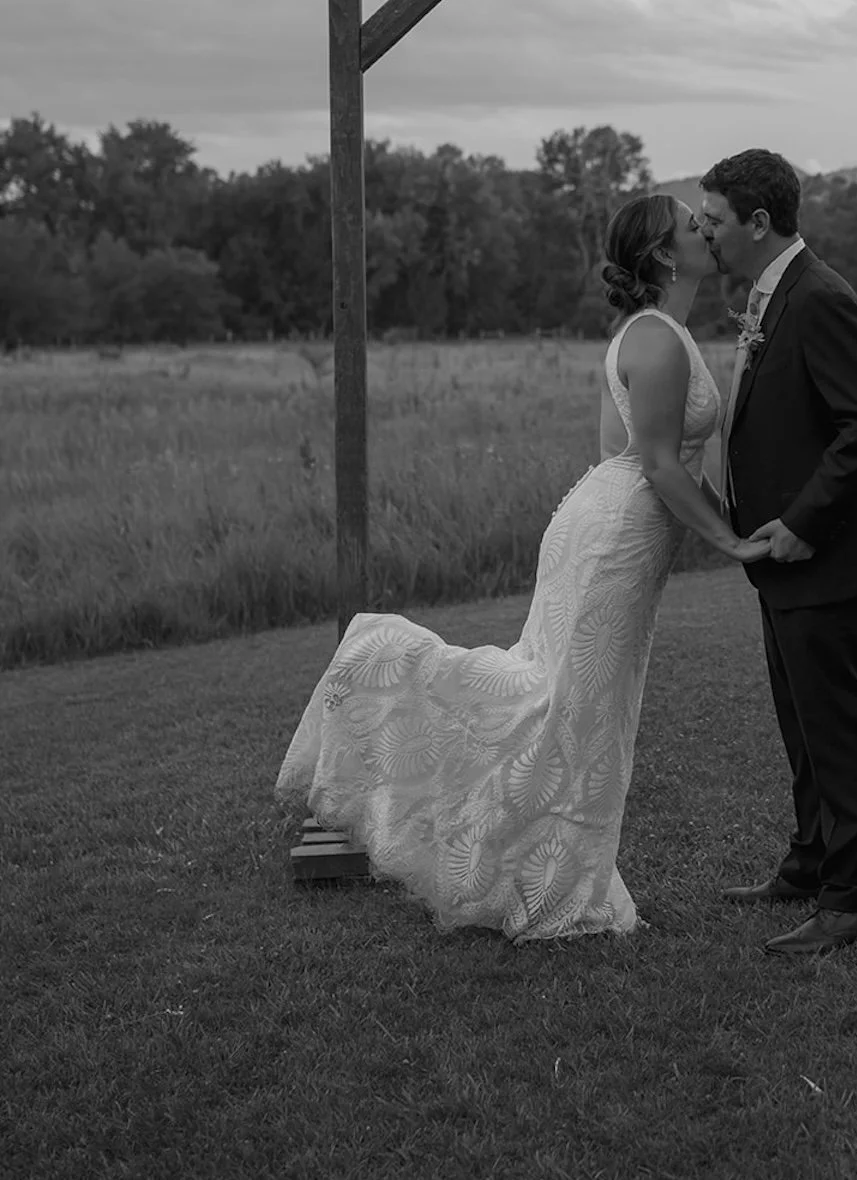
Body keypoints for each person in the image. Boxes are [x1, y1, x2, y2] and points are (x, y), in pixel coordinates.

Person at [275, 195, 770, 943]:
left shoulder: (663, 332)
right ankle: (385, 663)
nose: (707, 229)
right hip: (614, 537)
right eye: (691, 225)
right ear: (666, 256)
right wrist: (730, 546)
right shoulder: (658, 340)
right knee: (562, 705)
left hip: (612, 525)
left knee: (577, 709)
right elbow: (663, 466)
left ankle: (548, 875)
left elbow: (676, 460)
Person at [699, 149, 857, 959]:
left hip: (825, 553)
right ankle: (811, 860)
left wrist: (803, 521)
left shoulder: (817, 297)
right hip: (782, 559)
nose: (703, 232)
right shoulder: (772, 292)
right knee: (802, 720)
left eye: (714, 219)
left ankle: (851, 897)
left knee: (837, 723)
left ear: (758, 223)